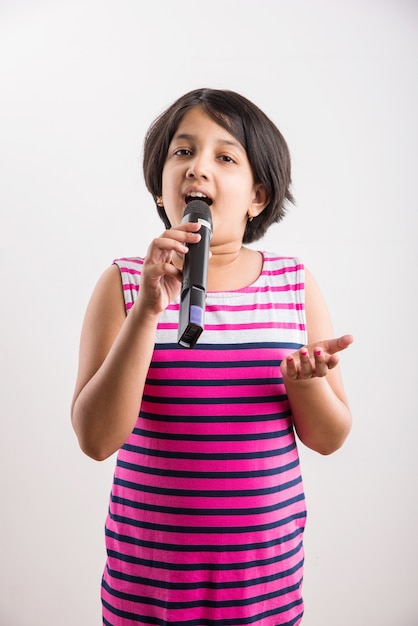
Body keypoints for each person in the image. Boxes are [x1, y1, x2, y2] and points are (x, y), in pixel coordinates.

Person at [71, 87, 353, 626]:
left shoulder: (292, 284)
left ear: (257, 197)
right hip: (148, 587)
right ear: (161, 186)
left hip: (262, 587)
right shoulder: (123, 284)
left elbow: (330, 437)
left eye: (225, 157)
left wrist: (307, 383)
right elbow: (95, 439)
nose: (198, 168)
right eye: (182, 152)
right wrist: (147, 314)